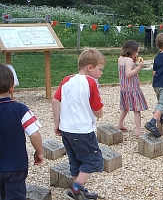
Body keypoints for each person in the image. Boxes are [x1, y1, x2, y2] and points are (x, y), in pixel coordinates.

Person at [52, 48, 105, 200]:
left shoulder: (67, 80)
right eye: (100, 69)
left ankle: (78, 190)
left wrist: (57, 123)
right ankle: (75, 188)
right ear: (90, 67)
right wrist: (100, 113)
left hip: (66, 129)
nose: (101, 73)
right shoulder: (91, 82)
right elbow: (97, 108)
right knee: (93, 160)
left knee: (75, 161)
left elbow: (55, 100)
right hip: (82, 130)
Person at [0, 63, 44, 200]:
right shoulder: (21, 109)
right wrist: (39, 152)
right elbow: (34, 133)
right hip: (15, 165)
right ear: (12, 88)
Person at [116, 40, 148, 137]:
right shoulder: (129, 61)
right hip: (132, 88)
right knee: (136, 109)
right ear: (131, 50)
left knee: (125, 108)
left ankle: (119, 124)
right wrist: (139, 67)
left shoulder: (121, 58)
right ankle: (138, 130)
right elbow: (128, 74)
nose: (137, 53)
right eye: (136, 51)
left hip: (124, 88)